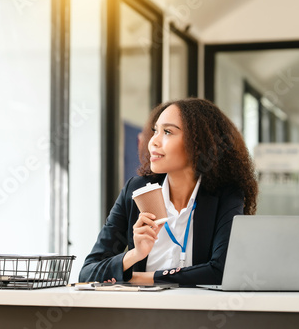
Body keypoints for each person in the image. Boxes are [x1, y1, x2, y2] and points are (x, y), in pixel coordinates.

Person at [79, 98, 258, 286]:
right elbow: (88, 273)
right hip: (139, 312)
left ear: (200, 143)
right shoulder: (136, 190)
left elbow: (220, 271)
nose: (153, 141)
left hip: (198, 311)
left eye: (167, 132)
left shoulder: (226, 196)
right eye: (155, 131)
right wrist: (135, 255)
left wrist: (139, 278)